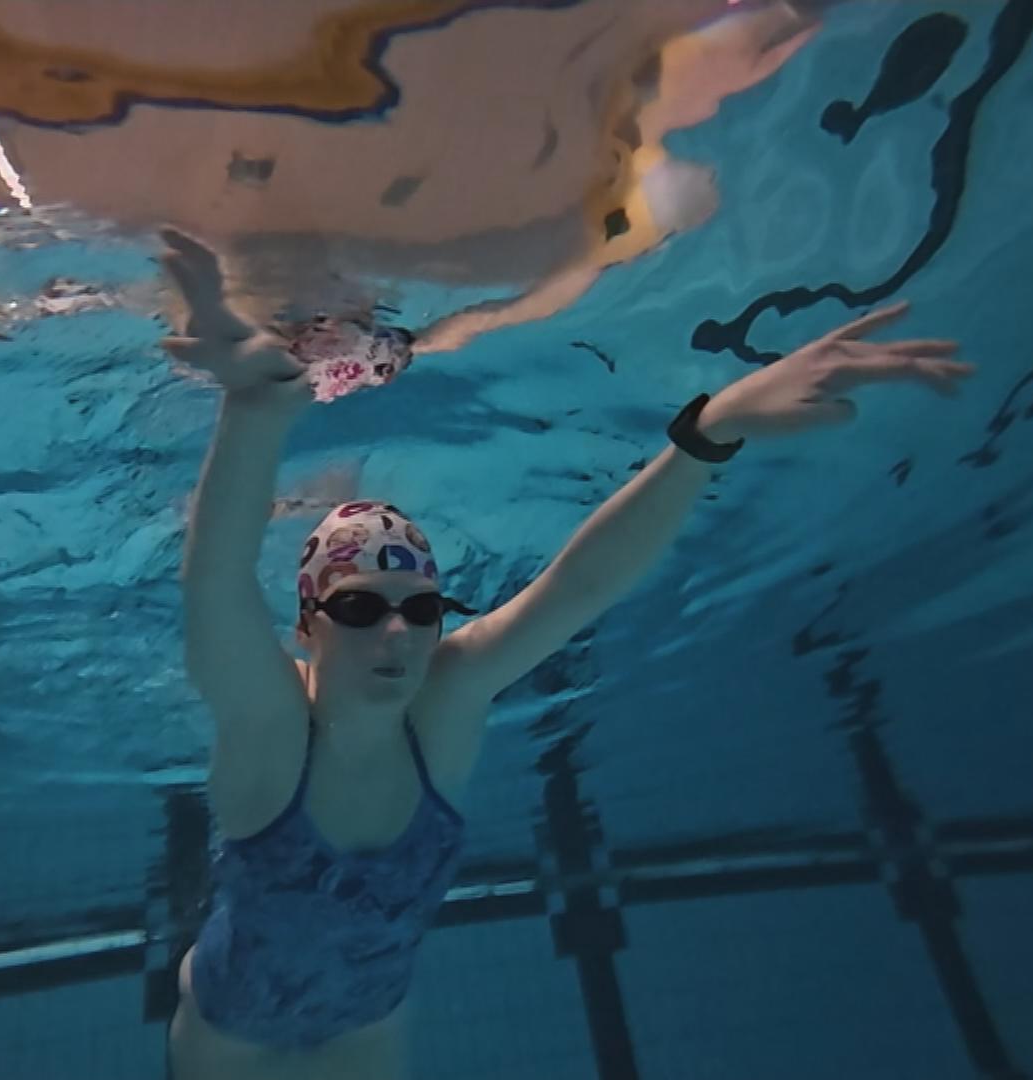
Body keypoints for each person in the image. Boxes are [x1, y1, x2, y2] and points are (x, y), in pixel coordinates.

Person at [157, 228, 973, 1080]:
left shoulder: (446, 698)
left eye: (422, 610)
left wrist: (710, 429)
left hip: (370, 1026)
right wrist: (252, 413)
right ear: (308, 626)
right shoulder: (274, 732)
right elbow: (213, 586)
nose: (398, 635)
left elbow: (580, 587)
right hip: (233, 1036)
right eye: (361, 608)